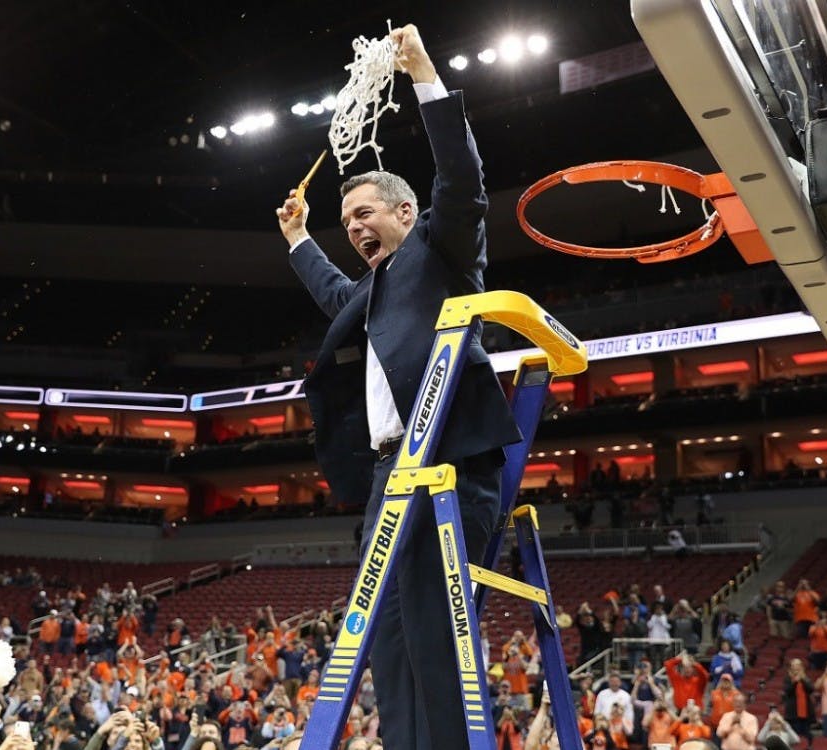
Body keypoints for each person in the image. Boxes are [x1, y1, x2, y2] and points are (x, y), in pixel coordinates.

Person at [276, 23, 520, 750]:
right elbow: (334, 297)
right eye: (346, 220)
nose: (354, 227)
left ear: (404, 215)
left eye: (365, 214)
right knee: (387, 644)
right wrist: (298, 238)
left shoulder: (439, 251)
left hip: (447, 465)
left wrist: (424, 78)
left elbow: (462, 182)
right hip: (390, 473)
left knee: (433, 639)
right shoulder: (374, 290)